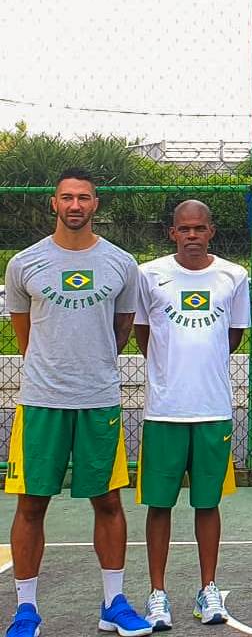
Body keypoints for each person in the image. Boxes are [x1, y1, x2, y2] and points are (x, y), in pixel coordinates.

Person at [4, 168, 152, 637]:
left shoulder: (120, 263)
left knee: (108, 502)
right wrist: (56, 369)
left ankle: (114, 602)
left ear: (95, 204)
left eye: (83, 198)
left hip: (99, 401)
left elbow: (122, 328)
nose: (75, 206)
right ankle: (26, 610)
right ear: (53, 203)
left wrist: (89, 366)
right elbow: (25, 335)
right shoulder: (24, 263)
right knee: (31, 505)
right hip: (41, 403)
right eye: (66, 198)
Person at [134, 200, 250, 630]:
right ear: (173, 233)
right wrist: (169, 372)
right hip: (164, 411)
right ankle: (158, 594)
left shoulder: (234, 276)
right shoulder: (148, 276)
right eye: (185, 229)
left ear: (211, 231)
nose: (193, 236)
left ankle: (208, 590)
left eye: (200, 228)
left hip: (213, 409)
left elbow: (233, 335)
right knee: (159, 505)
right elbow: (143, 333)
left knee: (208, 503)